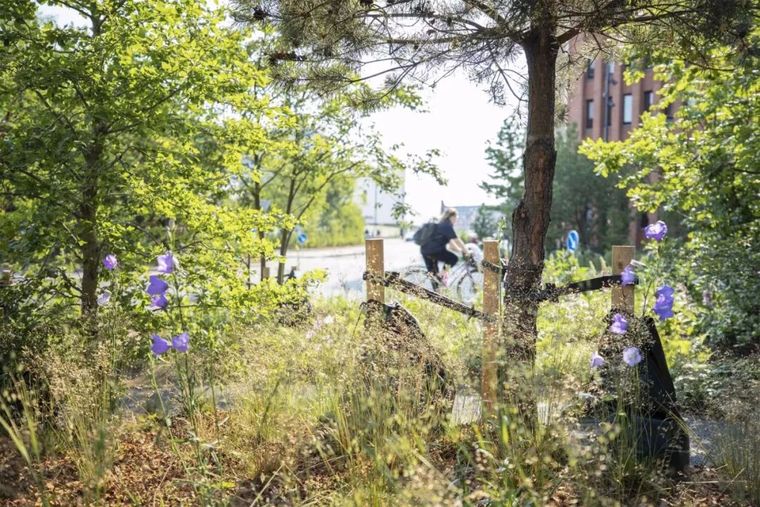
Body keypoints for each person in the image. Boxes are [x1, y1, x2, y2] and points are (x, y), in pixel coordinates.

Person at [420, 208, 469, 286]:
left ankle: (437, 293)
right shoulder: (447, 226)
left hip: (425, 250)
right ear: (452, 217)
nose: (456, 220)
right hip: (433, 251)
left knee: (434, 276)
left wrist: (460, 250)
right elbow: (457, 240)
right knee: (453, 258)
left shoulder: (441, 224)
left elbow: (451, 243)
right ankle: (441, 275)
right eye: (456, 218)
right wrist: (466, 251)